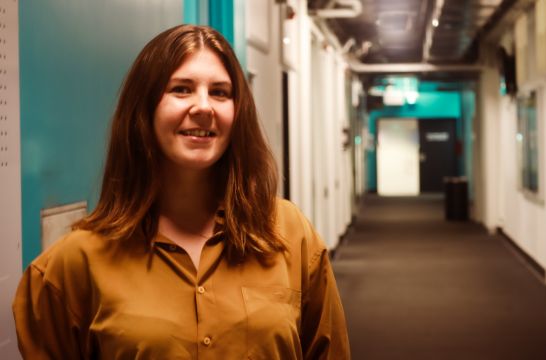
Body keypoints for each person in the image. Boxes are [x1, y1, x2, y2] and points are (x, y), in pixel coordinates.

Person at [13, 24, 350, 359]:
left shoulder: (289, 234)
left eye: (220, 92)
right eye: (181, 89)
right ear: (144, 110)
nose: (204, 107)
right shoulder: (74, 264)